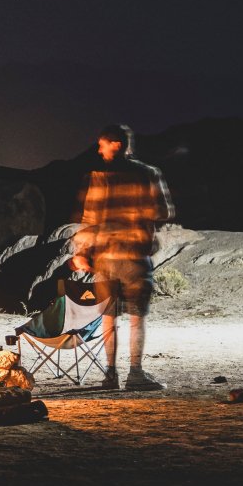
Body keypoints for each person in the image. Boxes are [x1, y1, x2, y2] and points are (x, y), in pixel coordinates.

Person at [67, 124, 175, 390]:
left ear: (117, 144)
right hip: (135, 258)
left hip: (105, 258)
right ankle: (135, 373)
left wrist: (82, 252)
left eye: (102, 145)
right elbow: (163, 212)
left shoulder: (98, 177)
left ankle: (110, 375)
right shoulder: (149, 174)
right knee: (137, 317)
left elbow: (89, 219)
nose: (99, 150)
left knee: (108, 317)